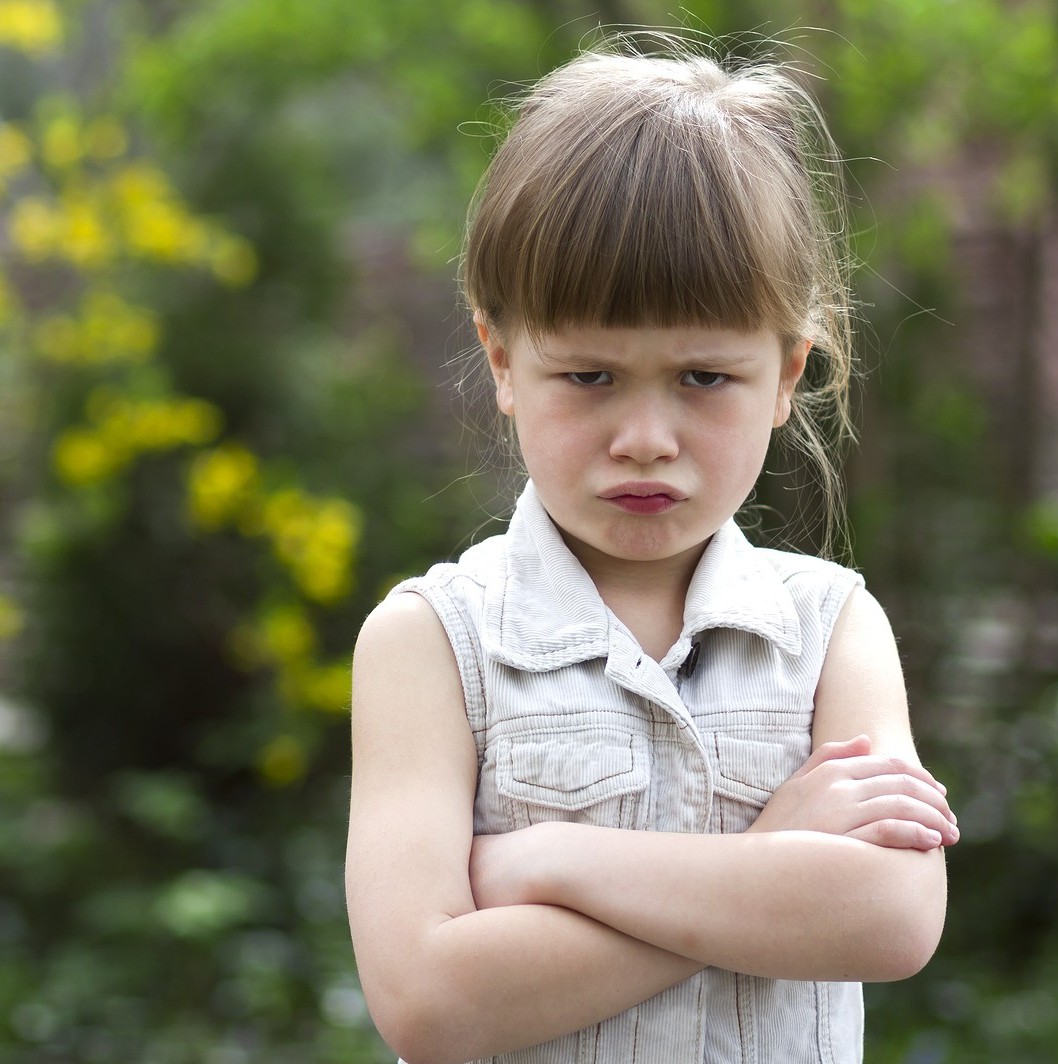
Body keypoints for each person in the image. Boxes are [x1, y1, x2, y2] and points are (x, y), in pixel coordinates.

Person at [345, 32, 959, 1064]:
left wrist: (554, 859)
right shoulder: (431, 645)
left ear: (783, 374)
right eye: (588, 376)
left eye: (702, 378)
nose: (644, 436)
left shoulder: (829, 627)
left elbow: (891, 914)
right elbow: (427, 998)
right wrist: (769, 863)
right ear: (502, 358)